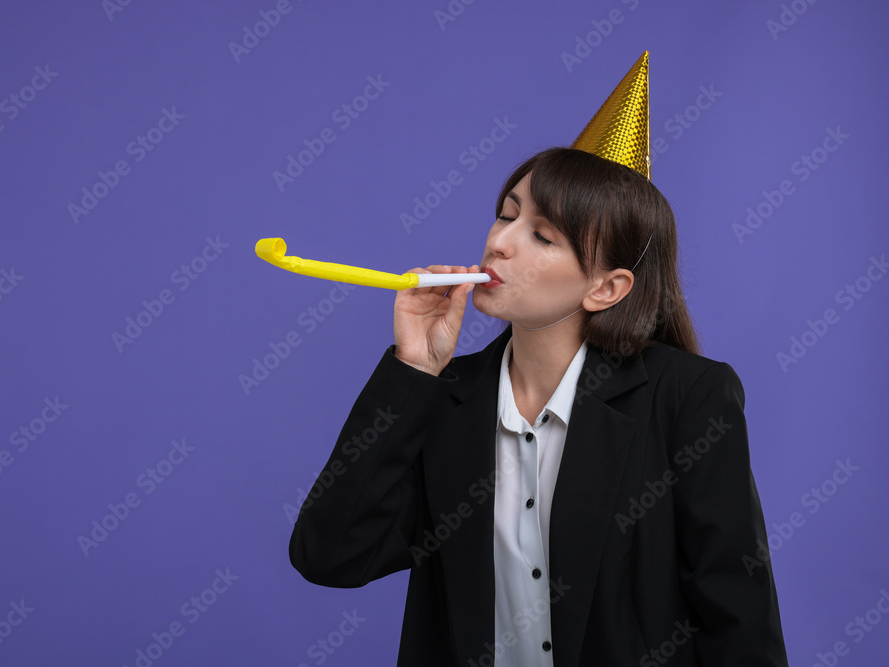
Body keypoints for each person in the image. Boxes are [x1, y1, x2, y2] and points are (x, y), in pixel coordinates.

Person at [288, 53, 789, 666]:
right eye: (506, 214)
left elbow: (737, 616)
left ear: (606, 288)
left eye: (542, 235)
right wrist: (412, 369)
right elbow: (330, 555)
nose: (499, 240)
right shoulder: (444, 399)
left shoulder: (687, 397)